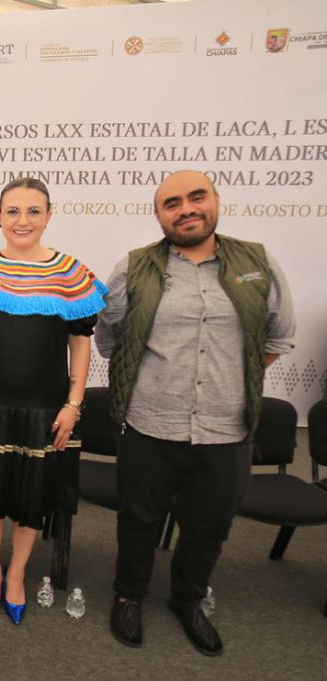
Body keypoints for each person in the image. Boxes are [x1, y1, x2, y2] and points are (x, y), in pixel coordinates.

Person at [97, 170, 296, 656]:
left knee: (209, 526)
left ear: (215, 200)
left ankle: (188, 599)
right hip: (149, 423)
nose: (185, 209)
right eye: (172, 203)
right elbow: (108, 338)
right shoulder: (134, 267)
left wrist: (229, 377)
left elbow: (276, 336)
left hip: (226, 427)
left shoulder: (258, 261)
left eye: (196, 197)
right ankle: (128, 595)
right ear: (158, 215)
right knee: (138, 519)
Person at [0, 177, 107, 625]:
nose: (23, 220)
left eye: (33, 211)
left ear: (49, 216)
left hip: (46, 407)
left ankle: (17, 572)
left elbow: (80, 342)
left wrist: (73, 403)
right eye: (13, 211)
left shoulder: (71, 274)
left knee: (30, 497)